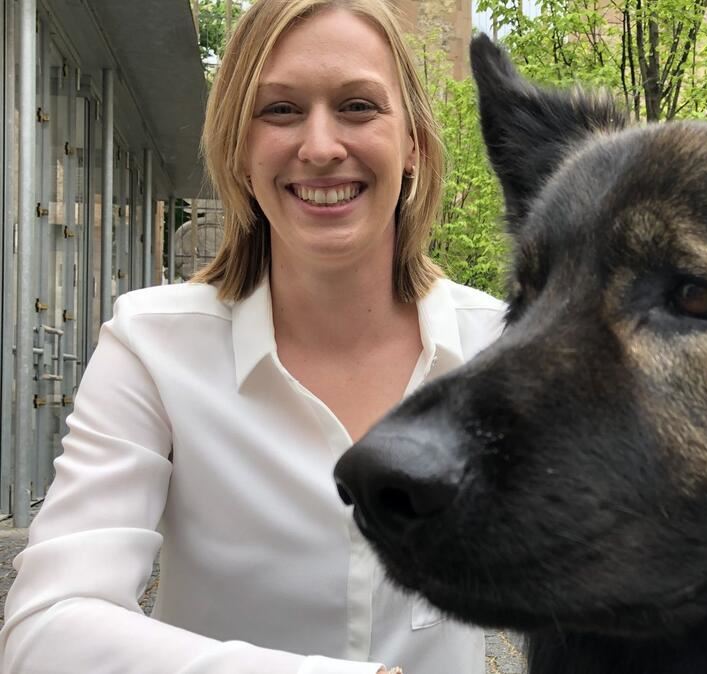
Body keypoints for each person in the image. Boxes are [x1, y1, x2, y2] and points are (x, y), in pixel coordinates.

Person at [0, 1, 504, 672]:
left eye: (357, 106)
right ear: (238, 149)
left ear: (412, 142)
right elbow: (46, 628)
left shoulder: (501, 347)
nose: (321, 146)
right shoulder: (152, 350)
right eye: (281, 110)